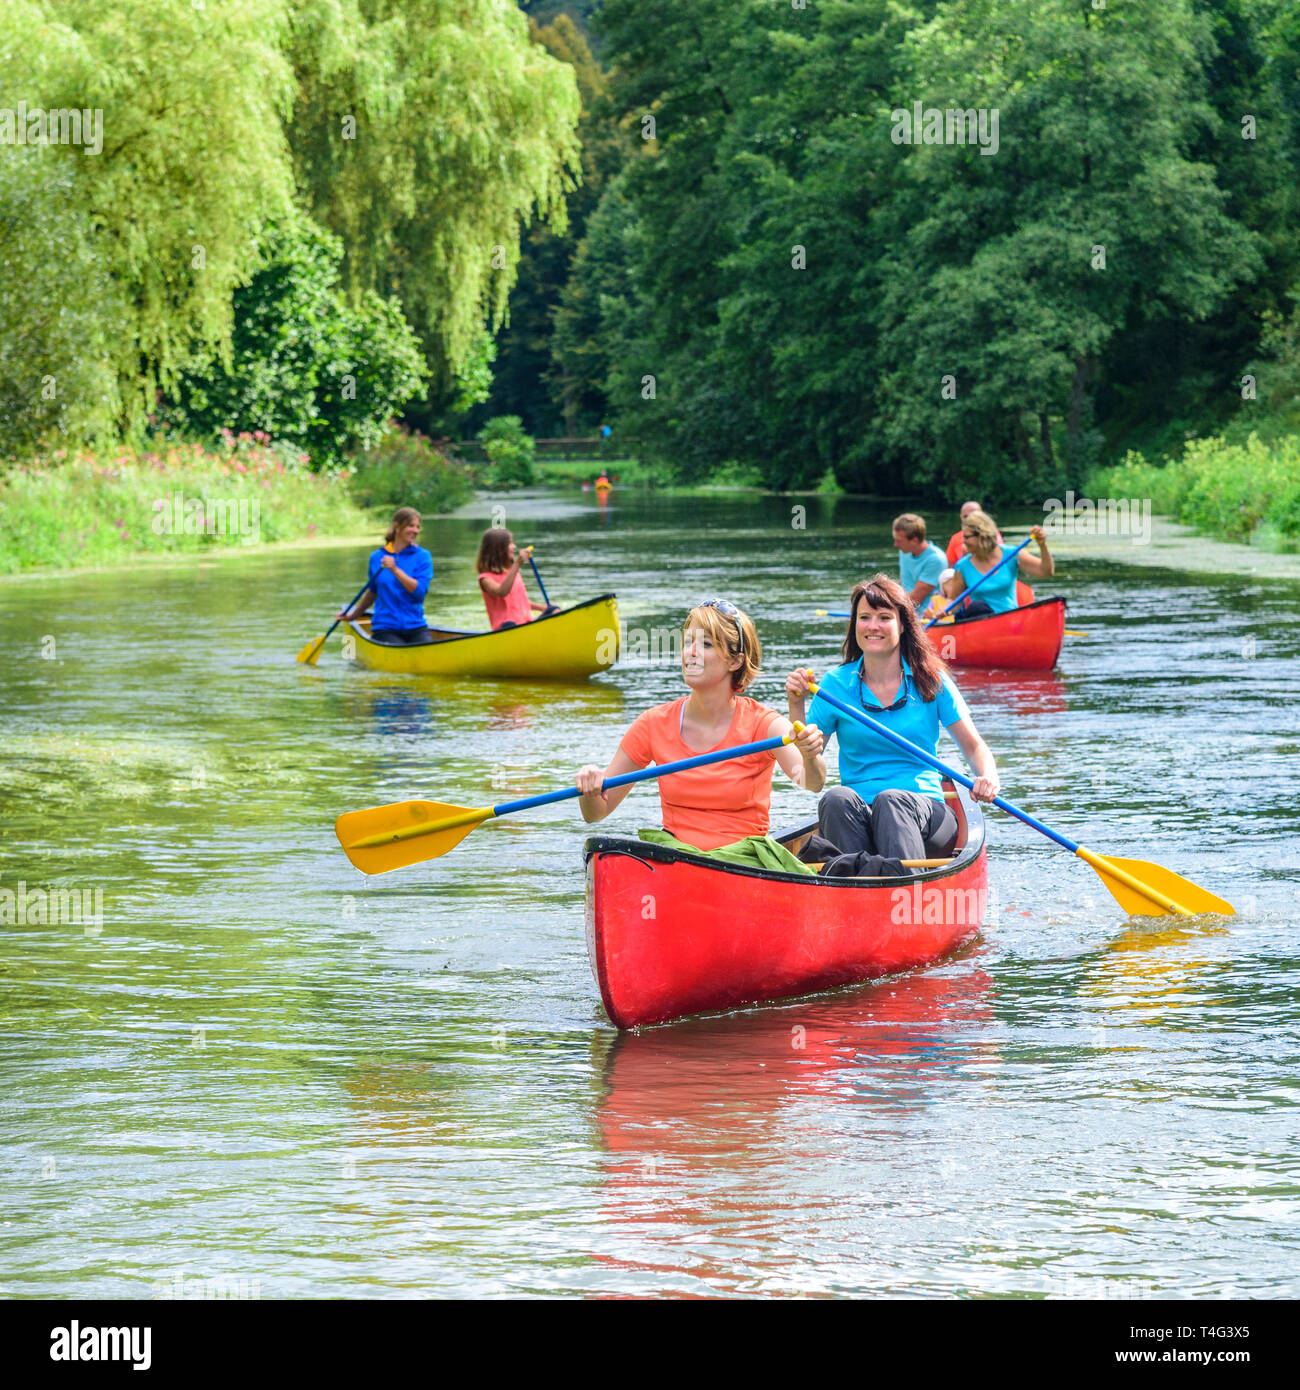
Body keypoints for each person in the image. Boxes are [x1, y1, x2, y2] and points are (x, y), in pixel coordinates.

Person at [576, 600, 826, 852]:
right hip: (677, 860)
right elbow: (596, 813)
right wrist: (590, 789)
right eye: (687, 642)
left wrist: (809, 754)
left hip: (741, 863)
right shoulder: (652, 724)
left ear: (735, 661)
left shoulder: (765, 724)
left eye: (705, 644)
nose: (690, 652)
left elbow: (812, 783)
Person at [786, 574, 999, 867]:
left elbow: (974, 747)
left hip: (928, 817)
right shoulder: (834, 685)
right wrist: (795, 705)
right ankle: (854, 891)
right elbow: (811, 781)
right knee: (835, 798)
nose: (873, 626)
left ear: (902, 624)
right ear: (855, 625)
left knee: (891, 801)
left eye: (884, 617)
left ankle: (905, 897)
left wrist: (988, 778)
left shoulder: (931, 680)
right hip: (860, 819)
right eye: (864, 617)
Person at [339, 506, 434, 644]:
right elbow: (372, 592)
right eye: (411, 526)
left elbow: (419, 592)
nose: (415, 531)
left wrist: (395, 570)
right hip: (385, 628)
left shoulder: (423, 556)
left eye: (418, 527)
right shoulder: (377, 557)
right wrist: (353, 616)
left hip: (416, 626)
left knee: (427, 650)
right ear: (397, 526)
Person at [940, 511, 1053, 618]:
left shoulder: (1012, 554)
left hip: (1011, 620)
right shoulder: (963, 566)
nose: (963, 541)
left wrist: (1042, 545)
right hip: (980, 621)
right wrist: (945, 610)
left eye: (966, 537)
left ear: (982, 535)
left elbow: (1046, 571)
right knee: (977, 607)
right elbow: (954, 600)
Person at [476, 528, 554, 630]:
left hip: (526, 624)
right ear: (498, 549)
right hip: (506, 628)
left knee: (554, 610)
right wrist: (517, 564)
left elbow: (521, 601)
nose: (514, 547)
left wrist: (542, 607)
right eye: (510, 543)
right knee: (510, 625)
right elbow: (501, 592)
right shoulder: (485, 578)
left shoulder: (513, 573)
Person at [892, 512, 947, 611]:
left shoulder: (936, 560)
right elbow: (904, 581)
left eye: (899, 540)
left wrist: (886, 606)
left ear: (914, 540)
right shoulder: (904, 551)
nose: (895, 544)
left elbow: (915, 600)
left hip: (922, 616)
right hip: (902, 606)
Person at [945, 500, 998, 566]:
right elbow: (950, 568)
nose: (969, 519)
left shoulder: (993, 536)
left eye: (973, 516)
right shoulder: (955, 538)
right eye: (965, 516)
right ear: (961, 517)